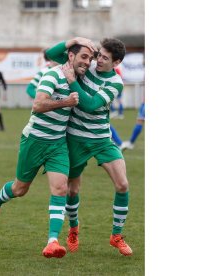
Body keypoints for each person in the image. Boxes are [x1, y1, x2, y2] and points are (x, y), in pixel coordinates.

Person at [0, 44, 94, 258]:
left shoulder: (79, 79)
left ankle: (52, 241)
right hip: (34, 140)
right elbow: (37, 105)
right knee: (19, 189)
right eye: (83, 57)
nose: (87, 62)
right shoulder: (52, 75)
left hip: (58, 143)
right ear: (70, 56)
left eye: (90, 59)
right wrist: (66, 102)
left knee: (60, 188)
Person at [46, 37, 133, 256]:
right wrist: (73, 40)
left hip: (102, 139)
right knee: (72, 190)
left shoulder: (116, 82)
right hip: (75, 138)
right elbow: (53, 54)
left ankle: (116, 236)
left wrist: (72, 81)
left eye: (105, 58)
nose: (98, 60)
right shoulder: (86, 67)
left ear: (116, 62)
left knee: (122, 184)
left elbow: (91, 105)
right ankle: (73, 230)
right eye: (98, 55)